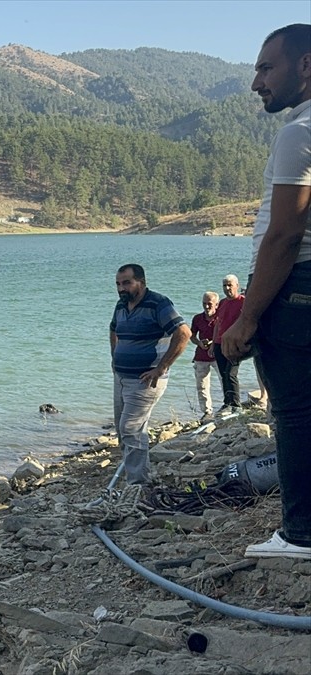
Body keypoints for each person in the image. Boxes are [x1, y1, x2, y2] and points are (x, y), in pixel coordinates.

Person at [221, 24, 311, 561]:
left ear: (306, 65)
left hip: (294, 287)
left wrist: (248, 315)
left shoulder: (299, 133)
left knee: (296, 412)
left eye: (265, 68)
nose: (256, 82)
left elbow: (285, 234)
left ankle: (300, 535)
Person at [108, 264, 191, 486]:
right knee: (123, 429)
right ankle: (134, 474)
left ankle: (139, 485)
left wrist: (162, 367)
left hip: (146, 380)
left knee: (131, 428)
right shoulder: (121, 305)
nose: (121, 288)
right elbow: (113, 328)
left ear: (142, 282)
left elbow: (183, 333)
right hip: (121, 378)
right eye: (118, 284)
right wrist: (114, 356)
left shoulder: (158, 303)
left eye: (127, 283)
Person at [212, 274, 246, 414]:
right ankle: (227, 403)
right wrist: (213, 343)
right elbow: (218, 323)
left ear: (237, 286)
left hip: (234, 343)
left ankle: (236, 405)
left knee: (231, 373)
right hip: (219, 343)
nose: (227, 288)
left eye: (229, 285)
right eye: (224, 285)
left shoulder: (243, 302)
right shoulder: (222, 303)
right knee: (223, 374)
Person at [190, 291, 219, 423]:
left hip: (217, 355)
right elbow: (192, 336)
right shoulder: (197, 318)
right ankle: (207, 411)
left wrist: (213, 343)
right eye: (204, 304)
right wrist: (199, 343)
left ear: (216, 305)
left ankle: (229, 405)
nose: (206, 307)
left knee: (225, 381)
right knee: (201, 386)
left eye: (209, 304)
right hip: (201, 356)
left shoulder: (220, 317)